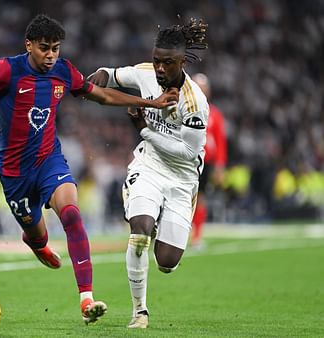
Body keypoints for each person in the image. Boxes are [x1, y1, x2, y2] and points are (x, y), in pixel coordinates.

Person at [0, 14, 178, 324]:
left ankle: (87, 300)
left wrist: (152, 103)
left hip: (48, 160)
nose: (51, 55)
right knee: (38, 237)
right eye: (44, 48)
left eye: (55, 48)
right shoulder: (6, 70)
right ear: (29, 46)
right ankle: (35, 241)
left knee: (71, 214)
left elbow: (103, 95)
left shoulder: (64, 71)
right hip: (13, 173)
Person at [88, 18, 208, 328]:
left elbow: (187, 153)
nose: (159, 68)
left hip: (182, 180)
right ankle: (139, 312)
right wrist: (98, 76)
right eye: (156, 60)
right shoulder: (145, 73)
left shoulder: (194, 103)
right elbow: (113, 75)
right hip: (149, 167)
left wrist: (143, 129)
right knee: (139, 230)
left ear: (182, 62)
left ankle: (159, 224)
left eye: (167, 63)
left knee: (167, 262)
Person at [190, 73, 227, 249]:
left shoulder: (215, 114)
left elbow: (220, 142)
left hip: (204, 162)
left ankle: (197, 236)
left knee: (200, 198)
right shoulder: (183, 108)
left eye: (204, 88)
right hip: (185, 159)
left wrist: (220, 166)